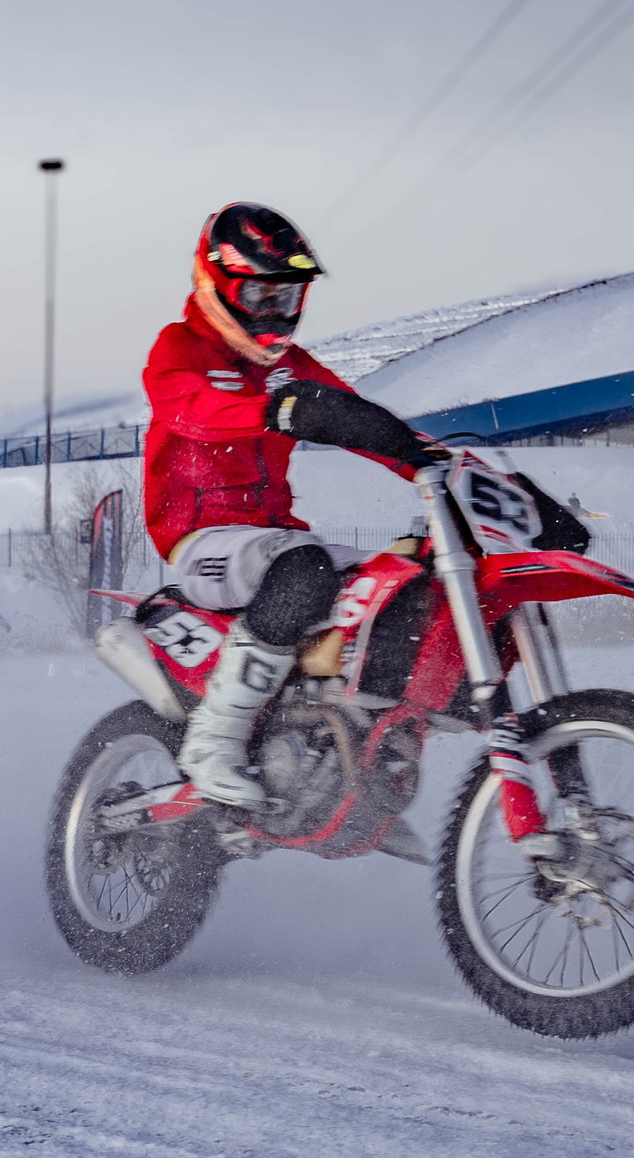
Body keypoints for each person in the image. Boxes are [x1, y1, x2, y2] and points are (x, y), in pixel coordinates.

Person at [142, 205, 449, 811]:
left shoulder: (290, 367)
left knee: (408, 577)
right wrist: (273, 411)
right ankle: (213, 743)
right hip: (199, 542)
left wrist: (437, 465)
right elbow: (189, 412)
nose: (274, 312)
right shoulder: (179, 347)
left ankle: (350, 758)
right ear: (218, 285)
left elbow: (363, 422)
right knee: (304, 568)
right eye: (259, 292)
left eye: (287, 296)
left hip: (274, 538)